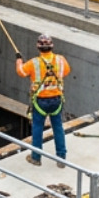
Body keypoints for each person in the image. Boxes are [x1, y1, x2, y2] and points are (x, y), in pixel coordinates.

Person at [16, 34, 70, 167]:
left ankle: (36, 157)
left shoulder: (34, 63)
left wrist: (19, 60)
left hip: (40, 101)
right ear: (52, 46)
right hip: (57, 100)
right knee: (58, 127)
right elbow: (66, 72)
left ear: (38, 47)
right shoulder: (60, 60)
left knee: (37, 128)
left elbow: (21, 72)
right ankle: (61, 158)